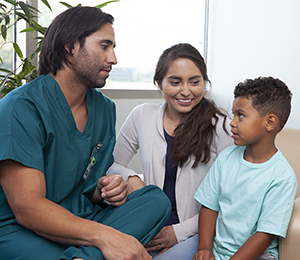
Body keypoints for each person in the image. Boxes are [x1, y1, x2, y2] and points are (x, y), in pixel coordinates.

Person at [0, 6, 171, 260]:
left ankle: (83, 257)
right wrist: (107, 236)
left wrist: (108, 190)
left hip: (80, 218)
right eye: (104, 46)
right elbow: (27, 208)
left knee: (156, 201)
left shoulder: (104, 109)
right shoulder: (22, 107)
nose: (113, 58)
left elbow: (88, 185)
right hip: (21, 229)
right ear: (70, 47)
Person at [107, 43, 233, 259]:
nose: (186, 91)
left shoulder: (221, 127)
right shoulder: (142, 115)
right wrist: (131, 178)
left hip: (195, 233)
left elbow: (229, 199)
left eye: (195, 82)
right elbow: (110, 163)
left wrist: (178, 232)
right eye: (175, 82)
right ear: (159, 83)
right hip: (145, 223)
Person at [193, 76, 298, 260]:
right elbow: (209, 206)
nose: (232, 122)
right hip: (216, 248)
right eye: (233, 114)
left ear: (270, 122)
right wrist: (204, 248)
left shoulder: (282, 177)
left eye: (240, 115)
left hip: (259, 255)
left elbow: (264, 235)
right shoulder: (226, 158)